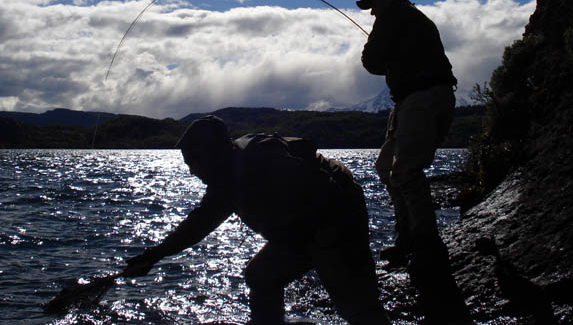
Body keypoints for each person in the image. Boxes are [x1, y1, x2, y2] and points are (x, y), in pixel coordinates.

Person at [125, 115, 391, 325]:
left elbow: (323, 192)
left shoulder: (263, 157)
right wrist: (155, 254)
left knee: (356, 304)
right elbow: (198, 225)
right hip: (299, 228)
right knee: (260, 276)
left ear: (215, 153)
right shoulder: (222, 183)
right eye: (187, 164)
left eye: (195, 161)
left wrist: (324, 247)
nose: (193, 171)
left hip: (335, 213)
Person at [357, 0, 471, 323]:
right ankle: (407, 236)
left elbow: (371, 61)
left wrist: (377, 40)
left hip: (422, 100)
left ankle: (426, 247)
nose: (372, 11)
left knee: (405, 171)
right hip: (414, 100)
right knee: (385, 166)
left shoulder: (394, 16)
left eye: (373, 3)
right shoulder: (414, 19)